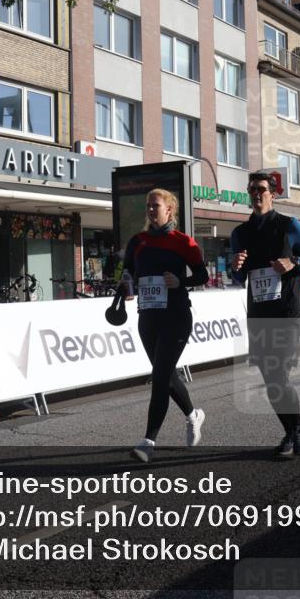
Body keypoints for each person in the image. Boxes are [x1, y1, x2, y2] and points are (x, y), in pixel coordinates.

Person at [231, 172, 300, 456]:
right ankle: (291, 431)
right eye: (252, 190)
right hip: (259, 314)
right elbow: (237, 278)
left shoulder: (289, 225)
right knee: (270, 378)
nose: (257, 194)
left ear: (272, 194)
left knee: (278, 372)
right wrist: (235, 266)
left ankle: (299, 429)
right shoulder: (239, 234)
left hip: (287, 313)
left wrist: (293, 262)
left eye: (262, 189)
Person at [122, 189, 208, 463]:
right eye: (148, 205)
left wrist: (181, 282)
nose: (150, 210)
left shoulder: (183, 242)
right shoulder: (138, 241)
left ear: (169, 210)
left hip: (176, 317)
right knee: (165, 375)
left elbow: (202, 276)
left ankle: (148, 441)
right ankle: (194, 415)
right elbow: (126, 271)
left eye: (155, 206)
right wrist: (126, 285)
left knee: (159, 377)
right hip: (148, 318)